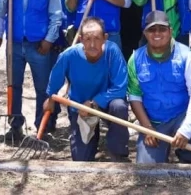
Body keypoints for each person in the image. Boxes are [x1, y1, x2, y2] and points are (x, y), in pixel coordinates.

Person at [0, 0, 63, 140]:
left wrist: (49, 39)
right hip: (14, 43)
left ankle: (43, 126)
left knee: (43, 87)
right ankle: (15, 126)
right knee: (13, 86)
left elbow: (56, 14)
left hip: (38, 45)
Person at [127, 11, 191, 164]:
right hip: (154, 123)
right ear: (145, 33)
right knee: (147, 168)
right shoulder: (135, 59)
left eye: (162, 29)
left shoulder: (186, 56)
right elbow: (134, 97)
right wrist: (147, 128)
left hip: (181, 116)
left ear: (170, 31)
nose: (157, 33)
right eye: (152, 30)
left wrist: (185, 131)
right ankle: (162, 150)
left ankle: (186, 155)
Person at [42, 17, 130, 162]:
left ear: (105, 38)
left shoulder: (112, 52)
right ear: (81, 39)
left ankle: (118, 153)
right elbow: (55, 78)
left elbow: (120, 88)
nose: (92, 44)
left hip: (107, 104)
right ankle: (91, 141)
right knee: (81, 159)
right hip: (80, 107)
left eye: (97, 38)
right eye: (88, 39)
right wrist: (50, 97)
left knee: (119, 106)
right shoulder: (69, 55)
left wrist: (94, 103)